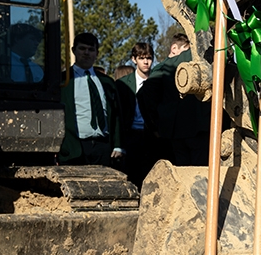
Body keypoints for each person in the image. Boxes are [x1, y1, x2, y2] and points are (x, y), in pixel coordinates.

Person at [138, 34, 209, 166]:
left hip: (174, 130)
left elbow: (145, 94)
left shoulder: (164, 66)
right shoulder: (202, 55)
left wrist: (156, 123)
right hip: (200, 127)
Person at [58, 32, 123, 166]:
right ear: (73, 50)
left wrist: (118, 145)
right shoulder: (62, 81)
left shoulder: (107, 82)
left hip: (103, 147)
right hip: (74, 147)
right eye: (82, 48)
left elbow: (116, 115)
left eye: (91, 49)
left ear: (96, 53)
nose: (86, 53)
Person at [115, 42, 158, 187]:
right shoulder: (122, 85)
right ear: (134, 60)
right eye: (141, 58)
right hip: (131, 136)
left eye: (149, 58)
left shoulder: (158, 82)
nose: (146, 62)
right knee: (131, 178)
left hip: (152, 137)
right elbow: (118, 115)